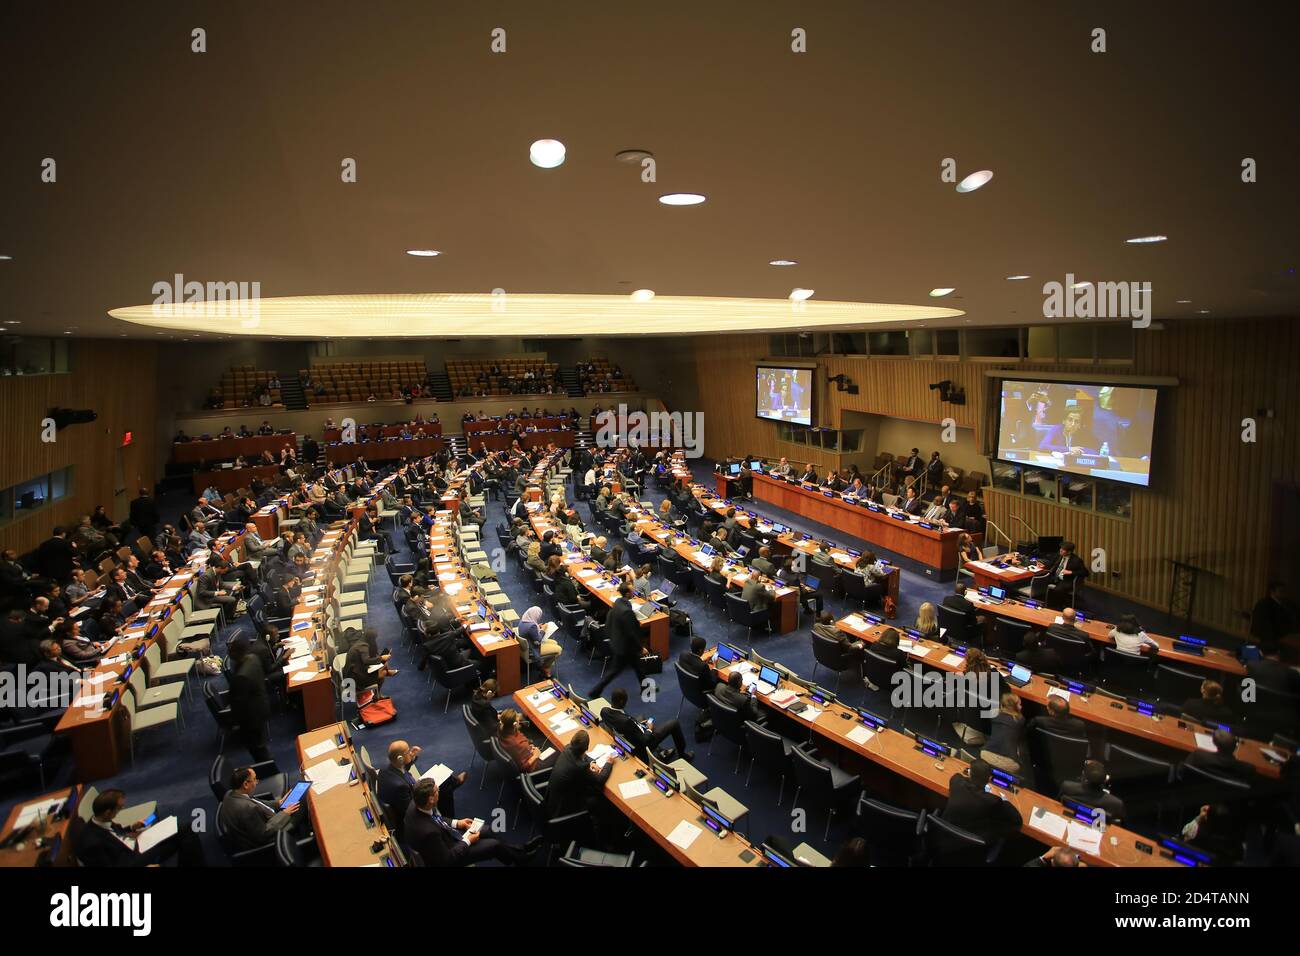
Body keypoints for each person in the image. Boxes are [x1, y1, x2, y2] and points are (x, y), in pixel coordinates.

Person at [74, 788, 203, 867]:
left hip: (138, 843)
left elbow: (116, 832)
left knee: (185, 830)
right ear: (108, 812)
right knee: (185, 836)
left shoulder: (101, 819)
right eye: (119, 808)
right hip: (133, 859)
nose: (122, 809)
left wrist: (131, 828)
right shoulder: (93, 843)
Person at [376, 739, 466, 825]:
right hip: (410, 813)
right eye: (408, 752)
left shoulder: (386, 769)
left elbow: (403, 771)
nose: (410, 752)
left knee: (444, 781)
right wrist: (429, 794)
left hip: (411, 790)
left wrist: (411, 757)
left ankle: (453, 782)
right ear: (400, 759)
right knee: (443, 788)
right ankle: (448, 821)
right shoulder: (400, 787)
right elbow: (412, 810)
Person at [218, 766, 301, 853]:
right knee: (302, 803)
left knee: (298, 800)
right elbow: (264, 833)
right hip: (269, 838)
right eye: (254, 779)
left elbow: (257, 802)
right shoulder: (248, 809)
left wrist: (278, 803)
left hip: (267, 820)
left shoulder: (231, 793)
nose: (257, 782)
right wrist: (285, 813)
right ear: (245, 784)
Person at [601, 687, 693, 761]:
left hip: (627, 733)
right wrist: (649, 729)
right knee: (674, 723)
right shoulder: (626, 722)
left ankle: (660, 750)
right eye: (626, 700)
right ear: (622, 701)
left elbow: (627, 725)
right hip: (642, 745)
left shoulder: (604, 711)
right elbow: (644, 740)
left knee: (642, 717)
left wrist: (637, 724)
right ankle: (682, 755)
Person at [942, 759, 1023, 843]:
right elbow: (1017, 820)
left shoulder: (956, 781)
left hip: (942, 837)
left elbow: (960, 777)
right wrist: (1002, 798)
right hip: (968, 846)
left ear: (969, 773)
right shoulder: (993, 800)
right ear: (989, 779)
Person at [589, 582, 645, 697]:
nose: (634, 591)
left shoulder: (618, 602)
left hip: (618, 642)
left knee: (638, 666)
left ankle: (646, 687)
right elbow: (631, 633)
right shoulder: (627, 612)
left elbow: (610, 619)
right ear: (628, 593)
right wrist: (641, 647)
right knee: (614, 671)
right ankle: (595, 691)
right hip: (625, 647)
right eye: (632, 590)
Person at [544, 730, 614, 821]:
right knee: (602, 801)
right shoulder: (580, 767)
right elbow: (600, 780)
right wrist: (608, 764)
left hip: (553, 801)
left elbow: (584, 757)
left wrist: (591, 762)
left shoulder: (568, 748)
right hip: (564, 808)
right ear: (586, 748)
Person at [227, 638, 273, 762]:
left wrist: (235, 722)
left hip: (251, 718)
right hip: (262, 706)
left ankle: (269, 771)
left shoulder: (241, 677)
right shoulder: (254, 658)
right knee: (260, 745)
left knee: (257, 748)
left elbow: (239, 705)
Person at [1059, 760, 1128, 822]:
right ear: (1105, 780)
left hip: (1068, 820)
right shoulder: (1116, 804)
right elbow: (1121, 826)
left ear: (1083, 775)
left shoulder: (1067, 787)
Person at [980, 693, 1027, 774]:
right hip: (1009, 763)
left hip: (986, 755)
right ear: (1014, 707)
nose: (1021, 707)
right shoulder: (1019, 720)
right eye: (1019, 704)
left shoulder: (993, 713)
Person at [1185, 729, 1253, 782]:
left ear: (1214, 743)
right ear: (1236, 746)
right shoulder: (1247, 768)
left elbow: (1183, 771)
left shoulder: (1198, 756)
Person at [1249, 581, 1298, 651]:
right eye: (1280, 591)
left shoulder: (1287, 603)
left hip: (1286, 632)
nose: (1283, 593)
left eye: (1284, 591)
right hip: (1271, 634)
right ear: (1272, 592)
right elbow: (1265, 623)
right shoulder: (1264, 604)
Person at [518, 605, 562, 677]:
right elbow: (539, 639)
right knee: (559, 650)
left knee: (554, 643)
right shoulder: (532, 626)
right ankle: (544, 667)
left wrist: (537, 627)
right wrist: (543, 629)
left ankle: (544, 665)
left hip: (527, 647)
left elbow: (530, 632)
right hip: (533, 650)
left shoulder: (523, 620)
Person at [1046, 541, 1088, 608]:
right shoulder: (1059, 555)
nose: (1061, 550)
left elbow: (1085, 572)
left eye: (1063, 550)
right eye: (1061, 548)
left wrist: (1071, 572)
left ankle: (1058, 606)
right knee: (1041, 581)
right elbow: (1052, 564)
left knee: (1057, 590)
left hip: (1066, 580)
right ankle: (1046, 602)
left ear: (1069, 552)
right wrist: (1042, 564)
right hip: (1055, 577)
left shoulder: (1076, 560)